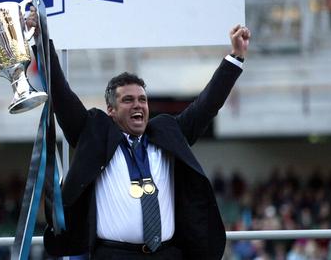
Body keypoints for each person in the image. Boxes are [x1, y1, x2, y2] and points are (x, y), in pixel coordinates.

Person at [27, 16, 250, 259]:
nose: (138, 105)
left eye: (142, 99)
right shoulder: (93, 134)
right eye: (128, 100)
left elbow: (206, 105)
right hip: (113, 255)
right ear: (110, 109)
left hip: (168, 254)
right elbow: (62, 96)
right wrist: (41, 40)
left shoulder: (168, 133)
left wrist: (235, 58)